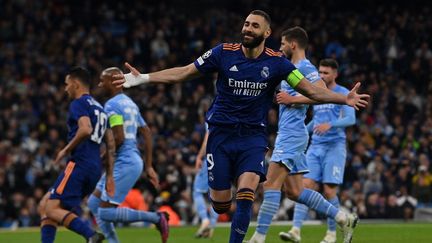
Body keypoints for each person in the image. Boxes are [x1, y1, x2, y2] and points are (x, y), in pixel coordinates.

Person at [112, 10, 368, 243]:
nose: (247, 29)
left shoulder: (278, 63)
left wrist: (342, 98)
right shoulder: (223, 52)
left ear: (266, 33)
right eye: (246, 24)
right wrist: (143, 78)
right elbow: (184, 71)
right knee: (221, 205)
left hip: (253, 137)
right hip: (220, 136)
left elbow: (312, 91)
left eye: (254, 26)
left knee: (248, 191)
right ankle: (333, 217)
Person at [245, 27, 357, 243]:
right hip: (291, 133)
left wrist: (293, 100)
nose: (281, 47)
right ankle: (343, 218)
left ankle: (258, 238)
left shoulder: (306, 67)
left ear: (293, 44)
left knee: (269, 184)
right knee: (295, 192)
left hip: (292, 134)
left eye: (283, 44)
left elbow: (321, 94)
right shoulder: (292, 68)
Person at [277, 58, 356, 243]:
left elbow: (351, 120)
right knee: (305, 186)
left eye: (326, 73)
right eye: (320, 72)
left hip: (334, 147)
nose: (321, 75)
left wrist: (331, 124)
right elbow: (316, 123)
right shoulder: (316, 94)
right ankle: (295, 230)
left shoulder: (342, 93)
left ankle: (331, 234)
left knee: (329, 191)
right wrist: (304, 129)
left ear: (335, 74)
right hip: (315, 146)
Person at [86, 67, 169, 243]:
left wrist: (101, 158)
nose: (100, 84)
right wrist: (148, 165)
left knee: (105, 212)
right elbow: (146, 132)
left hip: (125, 162)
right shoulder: (129, 103)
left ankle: (156, 218)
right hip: (131, 160)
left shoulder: (111, 105)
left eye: (103, 80)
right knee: (93, 203)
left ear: (113, 81)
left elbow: (119, 138)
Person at [41, 67, 113, 243]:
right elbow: (111, 144)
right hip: (94, 168)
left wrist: (65, 150)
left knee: (50, 208)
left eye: (67, 84)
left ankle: (91, 235)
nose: (65, 89)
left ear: (75, 84)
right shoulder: (101, 109)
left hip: (79, 164)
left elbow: (86, 129)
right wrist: (109, 175)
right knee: (47, 206)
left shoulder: (78, 103)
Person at [193, 127, 219, 238]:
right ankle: (211, 226)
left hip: (212, 156)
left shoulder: (214, 112)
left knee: (197, 191)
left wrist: (199, 156)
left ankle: (205, 220)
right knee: (218, 192)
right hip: (227, 158)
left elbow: (208, 137)